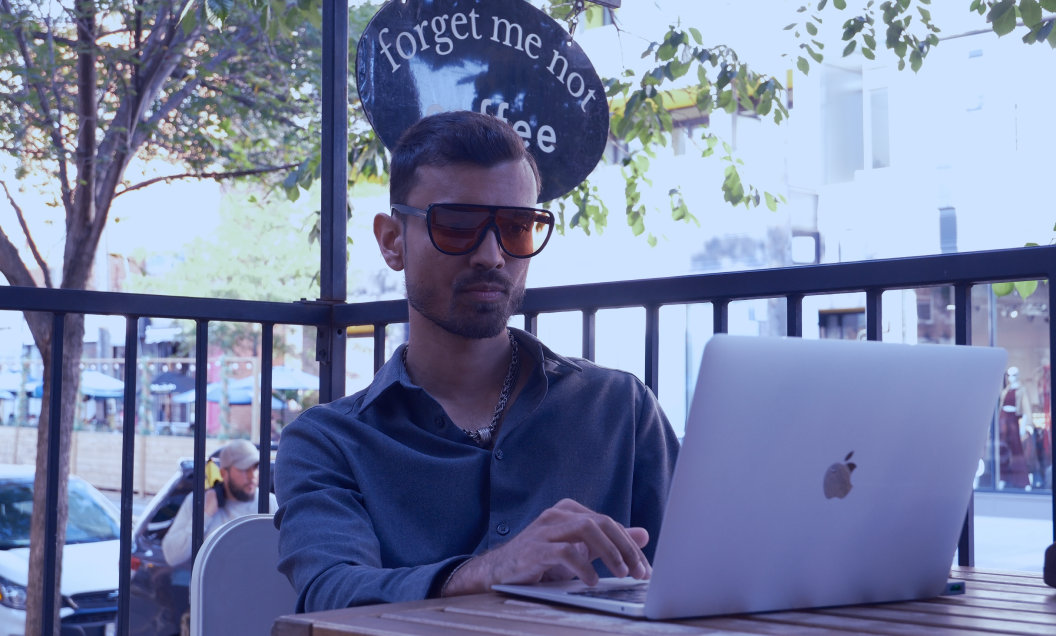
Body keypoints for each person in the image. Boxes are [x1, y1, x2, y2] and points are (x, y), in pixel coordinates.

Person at [274, 111, 680, 613]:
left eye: (517, 228)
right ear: (392, 241)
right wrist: (486, 573)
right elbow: (329, 593)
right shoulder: (328, 442)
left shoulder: (620, 409)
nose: (491, 255)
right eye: (457, 226)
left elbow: (706, 569)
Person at [162, 439, 278, 566]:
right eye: (244, 469)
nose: (252, 476)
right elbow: (171, 556)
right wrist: (205, 515)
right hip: (210, 579)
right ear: (223, 473)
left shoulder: (270, 503)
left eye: (255, 468)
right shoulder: (199, 501)